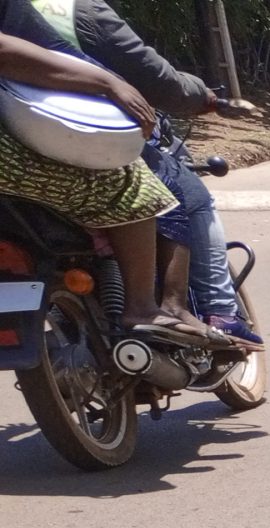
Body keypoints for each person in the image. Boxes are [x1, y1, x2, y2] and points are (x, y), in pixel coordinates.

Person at [2, 0, 257, 341]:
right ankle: (166, 308)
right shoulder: (80, 10)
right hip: (45, 136)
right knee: (149, 190)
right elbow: (163, 82)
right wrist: (110, 84)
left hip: (34, 127)